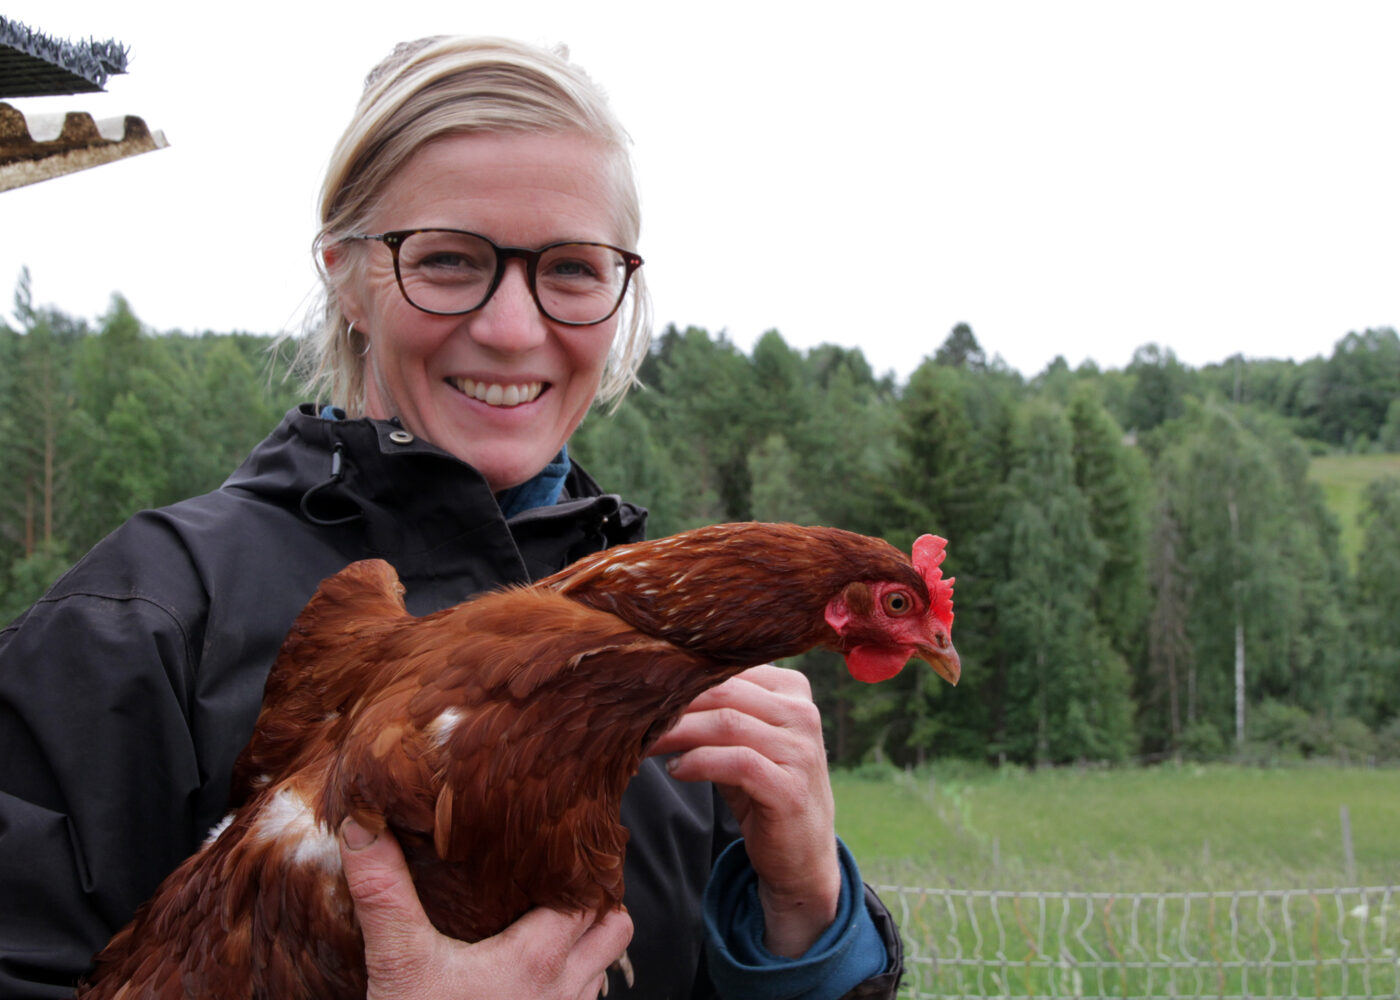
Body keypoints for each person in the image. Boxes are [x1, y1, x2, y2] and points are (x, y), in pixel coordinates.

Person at [0, 37, 903, 999]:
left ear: (621, 292)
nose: (513, 329)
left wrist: (804, 908)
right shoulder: (147, 620)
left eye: (571, 270)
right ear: (347, 277)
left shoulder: (688, 677)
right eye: (446, 260)